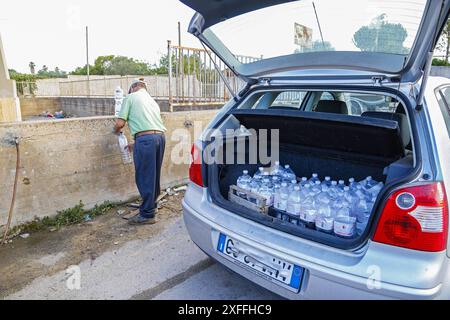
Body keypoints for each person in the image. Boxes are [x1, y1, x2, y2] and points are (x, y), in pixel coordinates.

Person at [114, 78, 166, 225]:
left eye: (130, 89)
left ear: (134, 87)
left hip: (146, 140)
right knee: (153, 175)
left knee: (144, 176)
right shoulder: (152, 101)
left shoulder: (130, 97)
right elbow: (148, 124)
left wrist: (116, 131)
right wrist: (137, 143)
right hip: (159, 138)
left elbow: (120, 123)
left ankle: (147, 215)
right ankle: (152, 206)